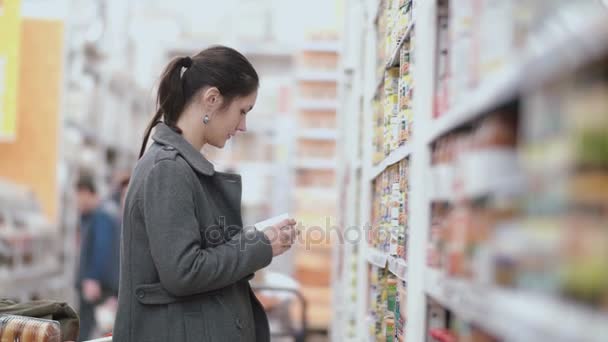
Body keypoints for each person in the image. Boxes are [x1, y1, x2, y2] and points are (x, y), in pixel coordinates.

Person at [113, 45, 298, 342]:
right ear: (212, 100)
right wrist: (260, 245)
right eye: (242, 111)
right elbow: (183, 271)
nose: (243, 126)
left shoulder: (180, 167)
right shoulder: (168, 169)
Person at [75, 175, 120, 341]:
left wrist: (92, 278)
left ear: (87, 193)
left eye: (79, 197)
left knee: (89, 330)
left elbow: (102, 248)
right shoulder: (95, 214)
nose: (78, 203)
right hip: (97, 284)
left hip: (96, 286)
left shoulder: (102, 215)